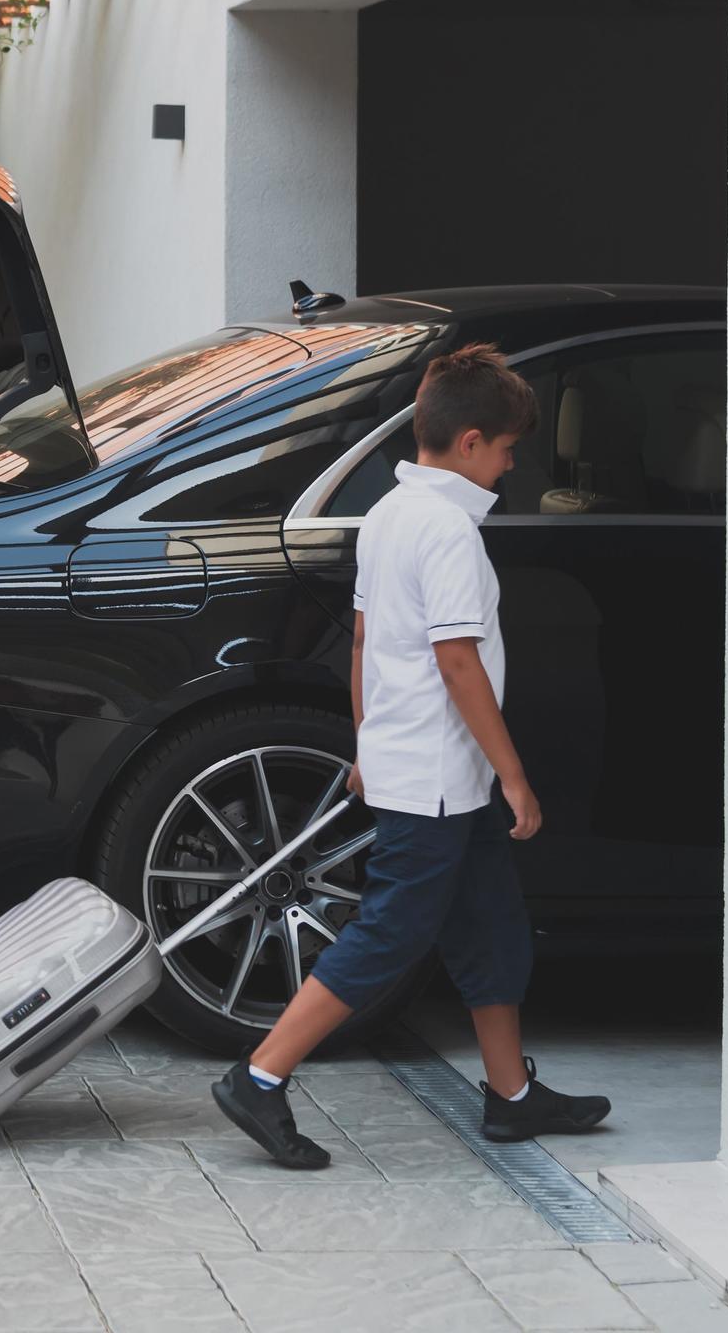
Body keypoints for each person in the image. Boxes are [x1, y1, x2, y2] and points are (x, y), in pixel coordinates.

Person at [211, 343, 611, 1166]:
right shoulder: (449, 533)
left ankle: (512, 1096)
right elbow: (456, 660)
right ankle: (258, 1076)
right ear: (470, 443)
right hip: (437, 778)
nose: (508, 469)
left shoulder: (389, 514)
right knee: (390, 933)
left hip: (425, 770)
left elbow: (363, 638)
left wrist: (367, 743)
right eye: (505, 452)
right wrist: (514, 773)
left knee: (492, 929)